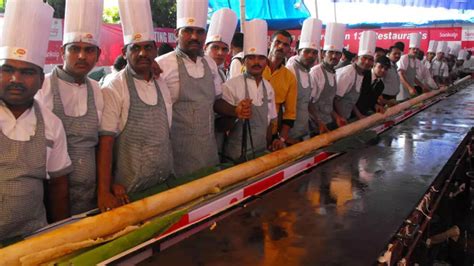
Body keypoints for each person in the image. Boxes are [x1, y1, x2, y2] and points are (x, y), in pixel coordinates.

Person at [0, 0, 72, 241]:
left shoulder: (52, 124)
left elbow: (58, 187)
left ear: (42, 80)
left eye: (27, 72)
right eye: (7, 69)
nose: (15, 79)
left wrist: (62, 234)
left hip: (32, 240)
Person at [97, 0, 173, 212]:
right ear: (124, 52)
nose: (142, 53)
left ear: (155, 50)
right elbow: (106, 142)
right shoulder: (114, 87)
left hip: (164, 181)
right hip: (129, 191)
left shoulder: (161, 81)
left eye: (148, 47)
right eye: (135, 48)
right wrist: (106, 189)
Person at [35, 0, 104, 215]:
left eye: (89, 50)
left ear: (98, 55)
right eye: (75, 49)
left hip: (91, 195)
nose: (82, 56)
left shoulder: (99, 89)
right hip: (50, 196)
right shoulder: (42, 86)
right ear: (62, 53)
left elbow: (102, 142)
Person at [156, 0, 221, 177]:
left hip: (208, 151)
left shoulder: (210, 63)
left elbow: (216, 102)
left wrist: (237, 109)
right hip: (178, 155)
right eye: (188, 31)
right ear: (177, 34)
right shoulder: (161, 65)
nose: (194, 36)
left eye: (199, 32)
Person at [214, 20, 284, 161]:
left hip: (260, 155)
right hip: (235, 158)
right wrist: (236, 112)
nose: (256, 62)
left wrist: (270, 144)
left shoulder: (268, 88)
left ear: (267, 62)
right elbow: (219, 127)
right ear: (244, 61)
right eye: (251, 58)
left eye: (261, 58)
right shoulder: (231, 86)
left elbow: (269, 123)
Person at [285, 18, 321, 141]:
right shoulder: (290, 71)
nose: (311, 56)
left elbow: (307, 103)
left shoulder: (308, 73)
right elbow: (281, 107)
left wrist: (318, 121)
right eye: (307, 52)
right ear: (298, 52)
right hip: (289, 134)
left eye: (314, 53)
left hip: (304, 130)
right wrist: (283, 136)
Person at [309, 22, 346, 133]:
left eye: (337, 53)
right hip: (316, 126)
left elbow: (327, 103)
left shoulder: (333, 72)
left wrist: (337, 117)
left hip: (328, 122)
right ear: (324, 53)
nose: (334, 56)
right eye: (331, 52)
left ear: (341, 56)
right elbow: (309, 103)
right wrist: (319, 122)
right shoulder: (316, 72)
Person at [262, 30, 298, 145]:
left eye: (286, 45)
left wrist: (281, 139)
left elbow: (290, 113)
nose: (281, 46)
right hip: (249, 128)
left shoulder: (289, 77)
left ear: (289, 50)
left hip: (272, 133)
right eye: (277, 42)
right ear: (270, 43)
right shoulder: (256, 68)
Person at [334, 31, 376, 121]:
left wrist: (359, 115)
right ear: (357, 58)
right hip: (336, 120)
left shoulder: (360, 73)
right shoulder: (348, 73)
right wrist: (340, 118)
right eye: (364, 58)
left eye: (370, 59)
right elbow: (335, 99)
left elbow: (351, 100)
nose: (367, 62)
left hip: (346, 117)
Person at [204, 8, 238, 83]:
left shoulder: (221, 74)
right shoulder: (197, 72)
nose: (220, 53)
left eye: (224, 49)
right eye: (215, 47)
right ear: (205, 48)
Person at [397, 33, 426, 100]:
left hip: (410, 89)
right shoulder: (404, 58)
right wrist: (409, 88)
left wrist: (422, 86)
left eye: (417, 49)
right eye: (414, 49)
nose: (415, 51)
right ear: (409, 49)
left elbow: (413, 77)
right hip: (402, 89)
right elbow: (400, 75)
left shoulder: (415, 61)